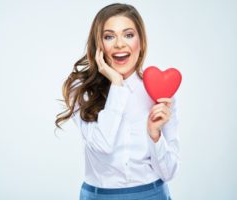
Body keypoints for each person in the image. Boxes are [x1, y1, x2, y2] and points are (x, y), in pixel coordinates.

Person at [56, 3, 180, 200]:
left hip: (152, 194)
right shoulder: (80, 90)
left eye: (128, 35)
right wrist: (116, 83)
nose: (119, 44)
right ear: (99, 45)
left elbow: (169, 173)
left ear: (141, 42)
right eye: (109, 36)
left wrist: (155, 136)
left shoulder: (161, 92)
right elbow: (103, 145)